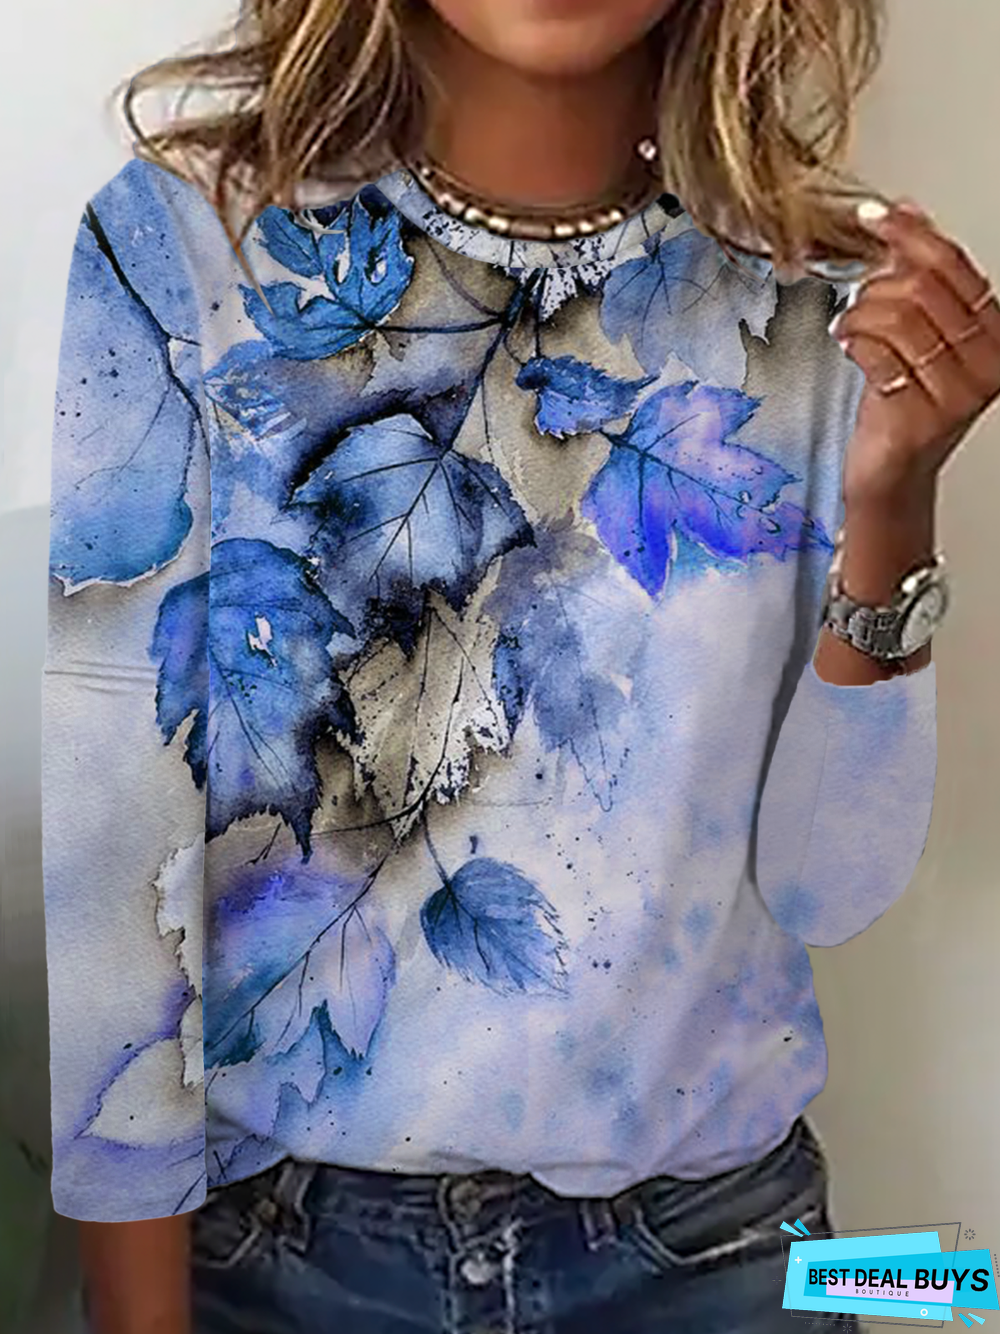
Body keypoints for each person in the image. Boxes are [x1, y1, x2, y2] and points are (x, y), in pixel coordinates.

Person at [40, 0, 999, 1330]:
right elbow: (112, 876)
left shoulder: (831, 295)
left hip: (727, 1252)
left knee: (958, 1295)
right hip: (277, 1253)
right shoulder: (184, 240)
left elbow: (831, 889)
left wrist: (894, 504)